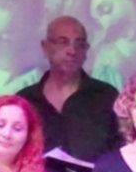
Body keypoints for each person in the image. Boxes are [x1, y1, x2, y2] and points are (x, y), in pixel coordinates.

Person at [15, 15, 121, 162]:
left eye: (79, 44)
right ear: (45, 47)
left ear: (86, 51)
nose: (72, 50)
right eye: (63, 42)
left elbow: (121, 154)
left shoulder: (106, 96)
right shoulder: (25, 101)